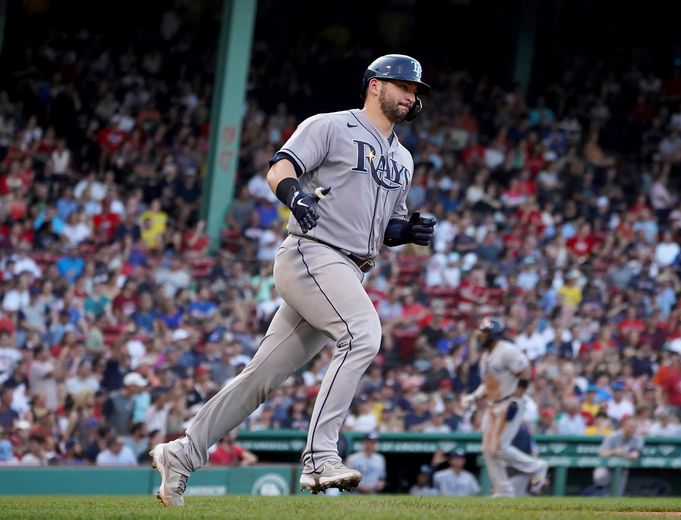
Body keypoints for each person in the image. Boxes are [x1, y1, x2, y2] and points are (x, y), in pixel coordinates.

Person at [150, 54, 437, 507]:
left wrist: (407, 232)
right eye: (401, 85)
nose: (410, 95)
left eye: (415, 90)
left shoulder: (403, 157)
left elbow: (384, 226)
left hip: (348, 268)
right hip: (312, 253)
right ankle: (321, 457)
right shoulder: (330, 125)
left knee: (260, 378)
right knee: (362, 334)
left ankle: (182, 454)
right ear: (374, 86)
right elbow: (280, 168)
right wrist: (294, 196)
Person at [462, 317, 546, 498]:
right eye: (481, 333)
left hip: (509, 401)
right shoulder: (486, 356)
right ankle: (502, 490)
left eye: (485, 334)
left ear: (493, 336)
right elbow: (489, 383)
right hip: (493, 404)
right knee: (487, 449)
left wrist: (517, 398)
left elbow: (525, 372)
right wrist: (474, 397)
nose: (481, 337)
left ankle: (537, 467)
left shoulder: (507, 351)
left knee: (499, 447)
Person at [593, 417, 644, 497]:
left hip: (622, 469)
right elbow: (601, 454)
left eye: (634, 428)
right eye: (629, 427)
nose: (631, 430)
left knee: (617, 496)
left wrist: (632, 454)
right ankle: (598, 493)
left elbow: (635, 454)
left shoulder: (637, 439)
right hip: (606, 466)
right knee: (600, 477)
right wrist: (615, 452)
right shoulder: (613, 436)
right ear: (624, 426)